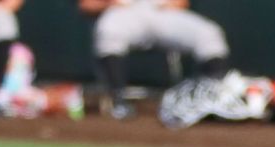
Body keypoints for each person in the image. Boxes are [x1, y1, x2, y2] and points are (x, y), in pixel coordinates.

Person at [77, 0, 230, 120]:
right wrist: (107, 4)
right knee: (110, 31)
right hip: (124, 12)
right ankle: (117, 100)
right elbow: (86, 5)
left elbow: (182, 3)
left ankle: (210, 98)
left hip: (162, 13)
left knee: (209, 33)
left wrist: (175, 4)